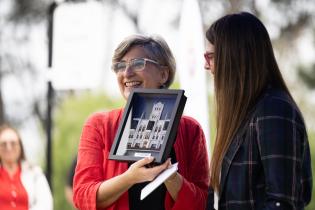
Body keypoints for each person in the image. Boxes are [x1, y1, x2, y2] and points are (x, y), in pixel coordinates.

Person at [73, 34, 210, 210]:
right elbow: (82, 196)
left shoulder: (190, 130)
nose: (127, 73)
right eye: (120, 66)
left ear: (163, 74)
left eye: (138, 63)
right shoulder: (99, 125)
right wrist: (130, 177)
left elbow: (202, 203)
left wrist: (169, 175)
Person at [204, 12, 312, 210]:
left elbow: (282, 203)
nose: (206, 65)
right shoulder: (243, 115)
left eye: (210, 56)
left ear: (234, 55)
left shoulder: (274, 110)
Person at [0, 124, 53, 210]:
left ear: (20, 146)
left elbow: (46, 204)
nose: (8, 147)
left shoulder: (35, 173)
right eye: (3, 144)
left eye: (13, 143)